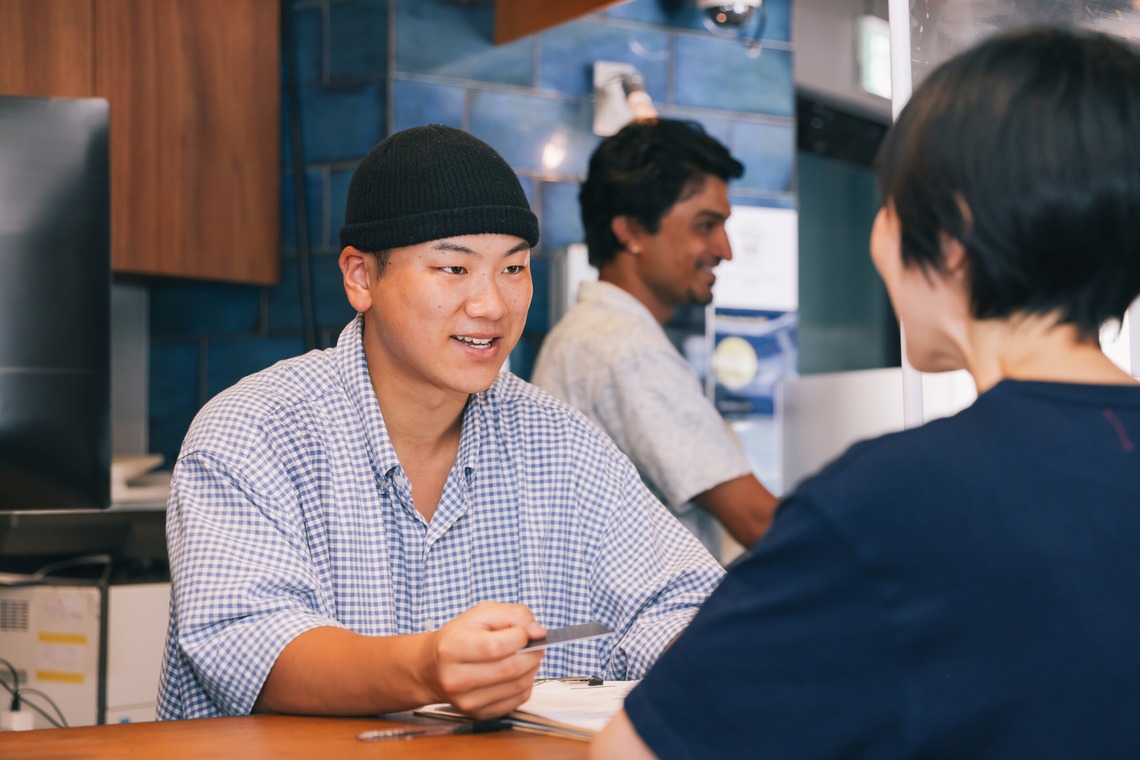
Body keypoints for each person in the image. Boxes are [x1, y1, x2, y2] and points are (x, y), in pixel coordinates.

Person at [594, 25, 1140, 758]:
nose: (877, 237)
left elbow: (631, 752)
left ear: (951, 237)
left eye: (889, 206)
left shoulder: (894, 498)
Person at [156, 125, 724, 722]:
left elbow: (681, 602)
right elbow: (248, 643)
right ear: (361, 277)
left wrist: (714, 645)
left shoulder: (561, 443)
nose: (491, 304)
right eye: (454, 268)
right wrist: (428, 669)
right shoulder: (253, 432)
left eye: (513, 269)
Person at [531, 118, 779, 558]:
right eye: (706, 225)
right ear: (631, 231)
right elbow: (757, 520)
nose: (726, 249)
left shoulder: (588, 335)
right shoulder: (625, 347)